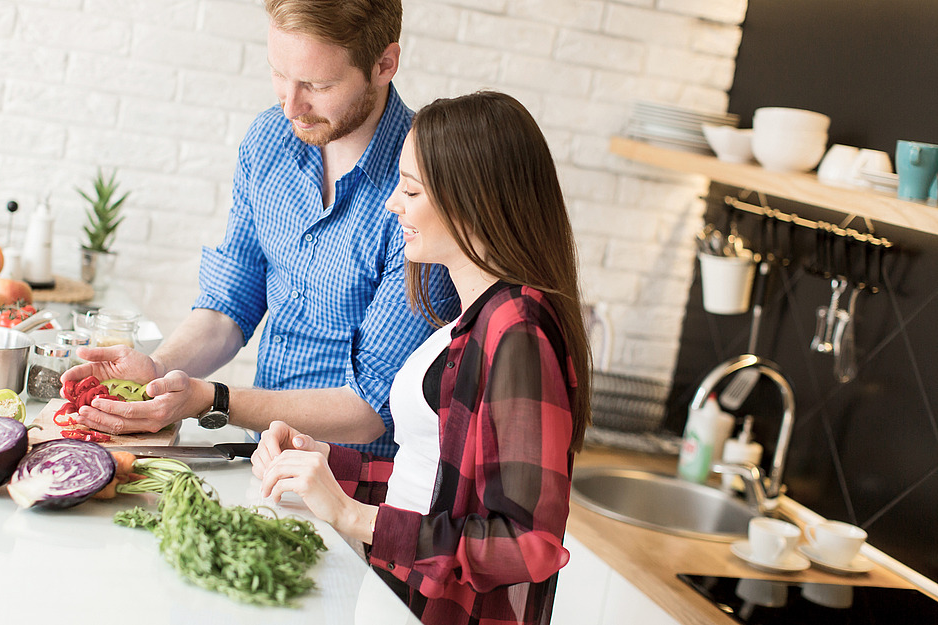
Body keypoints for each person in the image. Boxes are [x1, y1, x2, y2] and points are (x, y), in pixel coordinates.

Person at [252, 91, 593, 625]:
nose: (394, 204)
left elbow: (528, 544)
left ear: (472, 200)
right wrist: (323, 462)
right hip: (397, 592)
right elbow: (433, 481)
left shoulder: (518, 330)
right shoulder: (471, 317)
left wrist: (352, 515)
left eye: (410, 189)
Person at [61, 0, 456, 456]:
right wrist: (157, 369)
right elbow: (230, 302)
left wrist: (213, 400)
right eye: (278, 74)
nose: (291, 105)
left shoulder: (425, 191)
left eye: (318, 85)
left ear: (384, 64)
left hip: (360, 485)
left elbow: (370, 409)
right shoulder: (269, 141)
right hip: (262, 454)